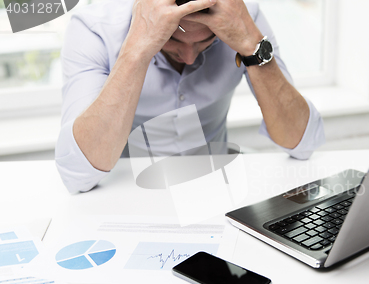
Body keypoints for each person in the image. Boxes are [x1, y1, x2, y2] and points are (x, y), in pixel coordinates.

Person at [55, 0, 325, 193]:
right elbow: (78, 176)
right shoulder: (94, 28)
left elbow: (303, 143)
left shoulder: (242, 17)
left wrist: (250, 45)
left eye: (205, 42)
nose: (189, 57)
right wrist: (138, 48)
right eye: (172, 40)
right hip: (129, 189)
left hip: (217, 186)